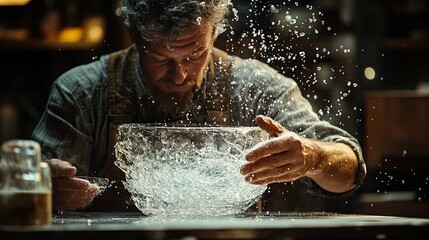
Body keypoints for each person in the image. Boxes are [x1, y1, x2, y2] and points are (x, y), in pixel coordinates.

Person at [32, 0, 366, 212]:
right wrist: (45, 186)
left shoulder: (254, 86)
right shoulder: (83, 91)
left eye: (194, 55)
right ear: (134, 38)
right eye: (161, 58)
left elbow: (349, 170)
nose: (179, 74)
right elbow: (29, 181)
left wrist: (314, 156)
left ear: (214, 33)